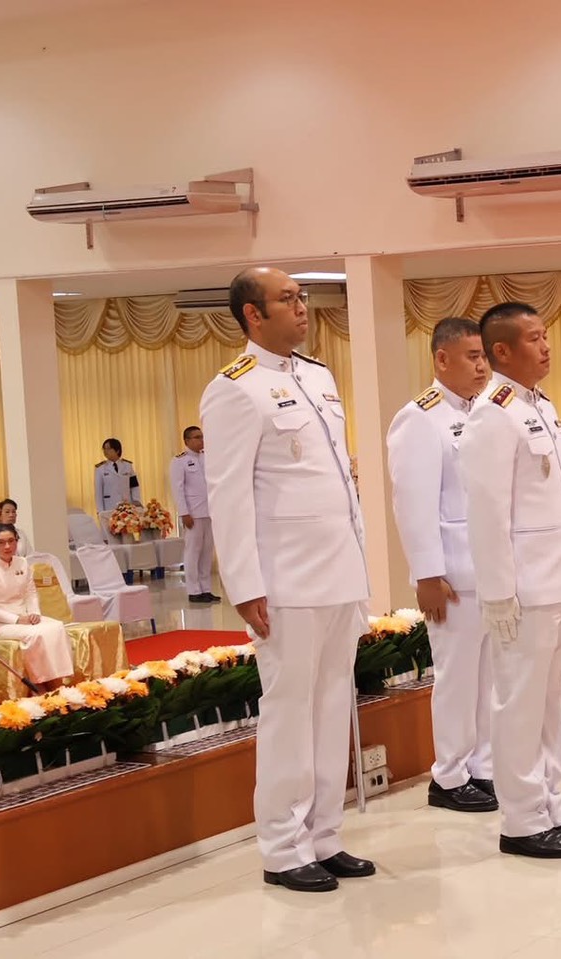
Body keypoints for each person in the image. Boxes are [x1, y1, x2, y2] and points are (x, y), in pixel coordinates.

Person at [201, 266, 375, 894]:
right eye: (287, 299)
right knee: (289, 712)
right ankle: (282, 848)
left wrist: (361, 566)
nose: (302, 307)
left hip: (338, 571)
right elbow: (228, 496)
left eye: (302, 297)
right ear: (253, 314)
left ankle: (324, 836)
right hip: (286, 580)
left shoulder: (319, 376)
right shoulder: (234, 390)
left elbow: (340, 483)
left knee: (331, 707)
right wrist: (245, 584)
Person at [461, 302, 561, 859]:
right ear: (501, 350)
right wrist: (499, 594)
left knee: (548, 702)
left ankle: (552, 806)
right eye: (535, 338)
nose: (546, 347)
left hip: (558, 580)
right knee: (519, 704)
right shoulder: (492, 414)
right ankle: (521, 820)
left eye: (547, 336)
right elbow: (487, 512)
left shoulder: (538, 405)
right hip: (523, 589)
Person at [386, 317, 499, 815]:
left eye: (484, 356)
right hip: (452, 575)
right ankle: (449, 776)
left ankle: (483, 766)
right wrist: (427, 574)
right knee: (456, 679)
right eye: (472, 356)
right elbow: (412, 504)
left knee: (489, 678)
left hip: (490, 570)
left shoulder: (488, 410)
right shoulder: (420, 418)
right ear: (441, 359)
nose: (481, 366)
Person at [0, 523, 73, 691]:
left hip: (26, 616)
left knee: (57, 627)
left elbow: (31, 593)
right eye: (1, 542)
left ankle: (58, 682)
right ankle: (40, 685)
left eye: (11, 541)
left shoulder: (22, 562)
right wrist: (16, 619)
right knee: (37, 634)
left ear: (17, 541)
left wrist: (34, 612)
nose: (7, 546)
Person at [170, 426, 219, 604]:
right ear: (187, 441)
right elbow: (178, 489)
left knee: (207, 551)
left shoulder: (207, 457)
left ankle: (206, 589)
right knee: (193, 552)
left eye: (202, 437)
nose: (201, 440)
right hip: (193, 513)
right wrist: (184, 513)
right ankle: (193, 590)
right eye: (197, 437)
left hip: (209, 511)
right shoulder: (179, 461)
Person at [95, 438, 140, 511]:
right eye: (104, 449)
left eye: (108, 448)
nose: (105, 451)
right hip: (109, 507)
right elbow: (98, 493)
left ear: (117, 450)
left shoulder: (127, 466)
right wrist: (100, 511)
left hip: (127, 507)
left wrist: (136, 501)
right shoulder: (100, 468)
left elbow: (134, 486)